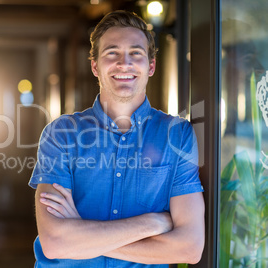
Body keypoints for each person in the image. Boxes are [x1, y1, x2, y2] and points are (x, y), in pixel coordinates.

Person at [28, 10, 205, 267]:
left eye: (136, 53)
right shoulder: (61, 134)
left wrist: (83, 238)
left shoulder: (177, 135)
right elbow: (56, 243)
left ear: (151, 66)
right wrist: (154, 222)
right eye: (112, 53)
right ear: (95, 66)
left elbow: (189, 248)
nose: (124, 63)